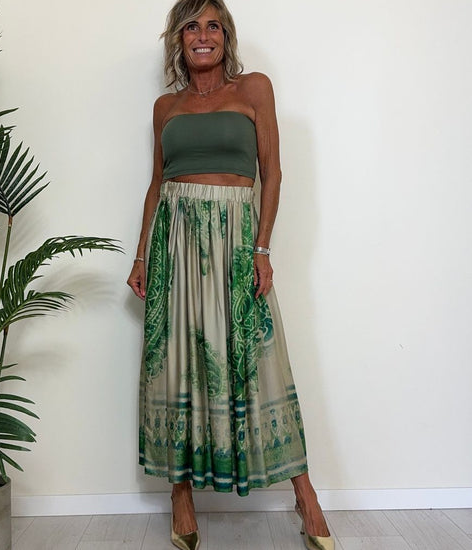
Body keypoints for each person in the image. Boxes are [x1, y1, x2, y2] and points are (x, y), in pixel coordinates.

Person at [127, 1, 334, 549]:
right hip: (175, 242)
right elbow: (157, 183)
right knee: (176, 363)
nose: (203, 35)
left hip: (236, 238)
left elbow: (273, 172)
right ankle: (181, 496)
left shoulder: (254, 89)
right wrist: (142, 255)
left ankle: (306, 496)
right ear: (178, 40)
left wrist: (262, 248)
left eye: (212, 25)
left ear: (226, 36)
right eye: (191, 26)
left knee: (260, 359)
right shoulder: (165, 107)